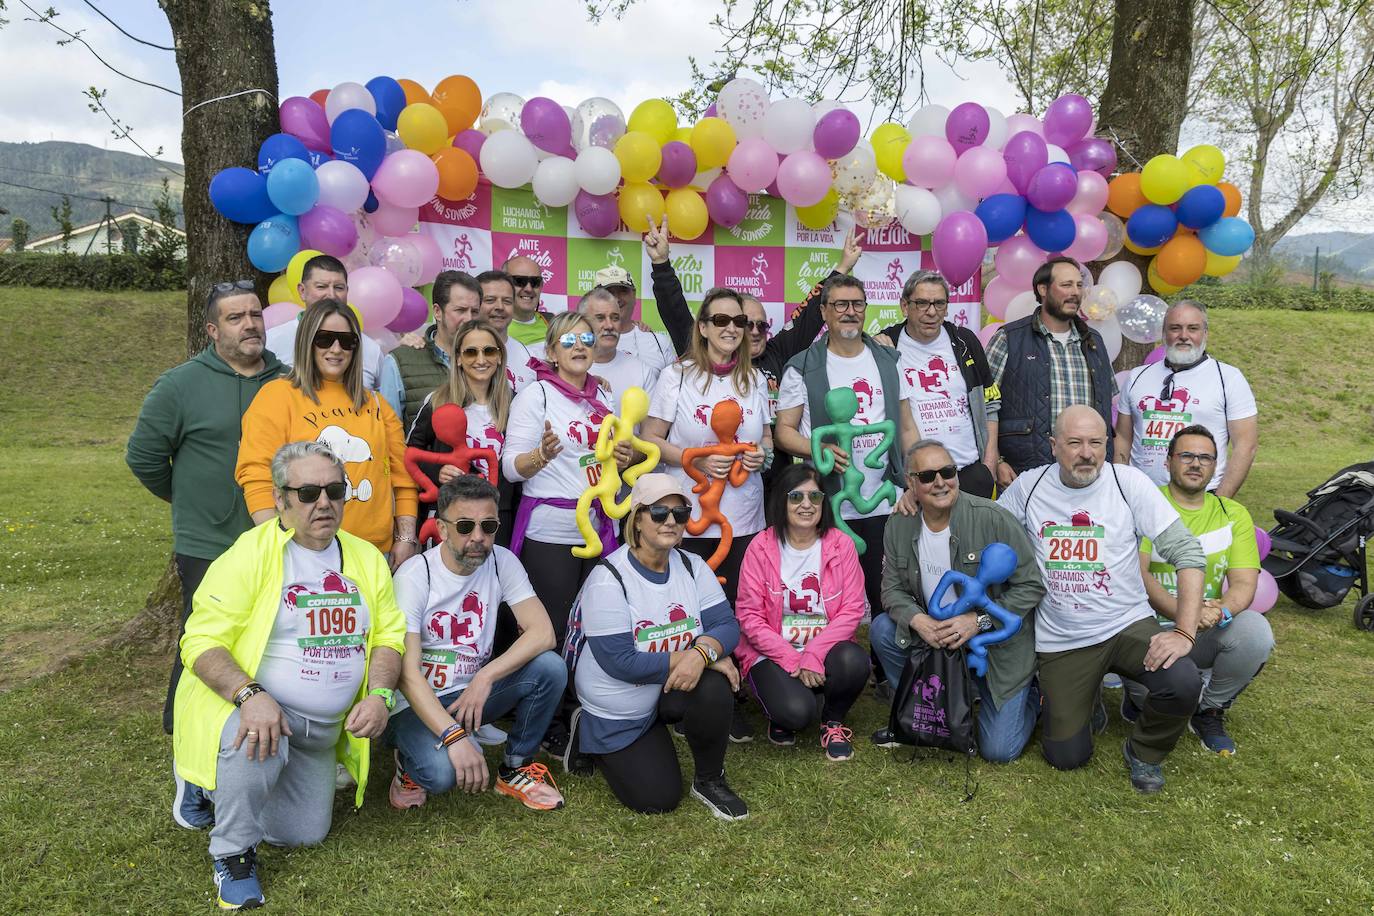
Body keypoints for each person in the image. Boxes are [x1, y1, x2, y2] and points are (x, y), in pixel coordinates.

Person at [172, 441, 405, 909]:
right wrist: (249, 694)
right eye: (307, 492)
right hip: (264, 714)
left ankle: (221, 788)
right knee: (253, 734)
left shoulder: (365, 558)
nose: (323, 502)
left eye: (334, 490)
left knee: (303, 835)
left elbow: (389, 637)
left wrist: (380, 693)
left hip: (319, 733)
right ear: (280, 500)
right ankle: (232, 853)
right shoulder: (248, 555)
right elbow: (199, 641)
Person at [998, 405, 1205, 793]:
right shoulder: (1029, 486)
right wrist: (917, 503)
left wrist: (1184, 632)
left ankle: (1144, 752)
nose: (1087, 453)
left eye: (1096, 442)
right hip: (1063, 640)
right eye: (1074, 443)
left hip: (1126, 625)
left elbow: (1188, 554)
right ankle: (1087, 700)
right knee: (1066, 756)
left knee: (1181, 680)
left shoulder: (1129, 483)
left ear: (1107, 444)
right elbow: (985, 527)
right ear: (1053, 445)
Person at [126, 280, 286, 750]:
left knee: (268, 630)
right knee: (201, 633)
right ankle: (182, 722)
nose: (250, 325)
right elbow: (143, 457)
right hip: (207, 539)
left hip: (273, 535)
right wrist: (189, 500)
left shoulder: (287, 381)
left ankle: (258, 716)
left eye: (255, 314)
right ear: (214, 330)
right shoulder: (180, 385)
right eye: (236, 318)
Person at [569, 473, 748, 819]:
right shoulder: (608, 578)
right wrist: (700, 656)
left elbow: (727, 626)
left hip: (665, 688)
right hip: (619, 702)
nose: (671, 521)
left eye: (680, 514)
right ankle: (587, 729)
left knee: (715, 685)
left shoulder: (693, 567)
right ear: (637, 519)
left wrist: (702, 654)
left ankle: (710, 780)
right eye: (659, 512)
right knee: (658, 799)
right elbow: (620, 662)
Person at [388, 475, 567, 811]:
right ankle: (407, 763)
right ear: (441, 529)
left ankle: (515, 768)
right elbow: (406, 675)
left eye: (489, 525)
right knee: (442, 776)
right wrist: (453, 736)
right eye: (465, 526)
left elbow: (542, 633)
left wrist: (486, 677)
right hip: (415, 701)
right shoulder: (415, 575)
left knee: (550, 668)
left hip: (469, 693)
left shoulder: (502, 561)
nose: (479, 537)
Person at [870, 440, 1045, 762]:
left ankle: (1032, 698)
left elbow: (1031, 585)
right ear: (910, 483)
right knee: (883, 630)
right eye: (927, 476)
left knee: (998, 751)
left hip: (994, 646)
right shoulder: (899, 524)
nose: (940, 482)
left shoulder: (992, 518)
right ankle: (929, 706)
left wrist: (976, 621)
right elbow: (891, 590)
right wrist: (918, 620)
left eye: (948, 472)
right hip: (936, 635)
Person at [775, 274, 918, 626]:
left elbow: (907, 427)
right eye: (840, 304)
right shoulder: (803, 365)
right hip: (827, 503)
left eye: (857, 304)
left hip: (886, 501)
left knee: (888, 596)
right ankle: (831, 671)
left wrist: (914, 482)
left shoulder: (888, 359)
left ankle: (889, 675)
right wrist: (819, 446)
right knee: (829, 600)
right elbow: (783, 433)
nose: (849, 312)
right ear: (824, 311)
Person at [237, 298, 419, 569]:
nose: (337, 349)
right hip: (304, 556)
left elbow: (403, 479)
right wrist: (277, 542)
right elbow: (256, 476)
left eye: (347, 341)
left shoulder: (376, 404)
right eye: (325, 339)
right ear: (307, 342)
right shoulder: (276, 397)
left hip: (372, 556)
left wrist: (405, 537)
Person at [1129, 425, 1274, 756]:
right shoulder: (1146, 504)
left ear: (1215, 465)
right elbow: (1139, 576)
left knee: (1255, 631)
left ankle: (1209, 710)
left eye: (1205, 457)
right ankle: (1143, 699)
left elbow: (1244, 584)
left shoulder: (1232, 513)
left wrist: (1220, 611)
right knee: (1154, 699)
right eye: (1187, 455)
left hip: (1204, 629)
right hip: (1147, 632)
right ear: (1168, 462)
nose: (1196, 463)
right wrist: (1188, 616)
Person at [502, 311, 633, 670]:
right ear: (552, 352)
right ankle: (549, 716)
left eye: (587, 340)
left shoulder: (603, 394)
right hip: (552, 533)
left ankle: (581, 705)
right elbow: (510, 468)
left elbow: (603, 459)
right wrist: (540, 455)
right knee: (553, 630)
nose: (580, 347)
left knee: (593, 624)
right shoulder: (535, 396)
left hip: (600, 526)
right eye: (569, 341)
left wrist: (621, 456)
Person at [643, 215, 857, 422]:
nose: (755, 332)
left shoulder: (776, 353)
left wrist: (842, 268)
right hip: (717, 457)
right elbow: (675, 311)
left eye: (762, 326)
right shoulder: (705, 352)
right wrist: (661, 264)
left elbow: (808, 315)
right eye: (746, 324)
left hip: (772, 456)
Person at [641, 287, 772, 604]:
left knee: (741, 605)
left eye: (738, 321)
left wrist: (761, 455)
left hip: (745, 518)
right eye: (721, 319)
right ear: (703, 328)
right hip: (687, 518)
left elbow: (767, 437)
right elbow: (649, 439)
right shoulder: (677, 376)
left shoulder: (755, 379)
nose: (731, 328)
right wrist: (694, 461)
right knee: (688, 605)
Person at [734, 464, 869, 759]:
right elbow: (749, 616)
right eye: (796, 497)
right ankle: (784, 710)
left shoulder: (840, 545)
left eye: (814, 497)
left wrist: (814, 653)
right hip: (773, 652)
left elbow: (852, 610)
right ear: (782, 500)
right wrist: (791, 657)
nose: (806, 505)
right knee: (795, 714)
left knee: (854, 660)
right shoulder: (760, 546)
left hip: (823, 648)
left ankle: (832, 720)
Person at [985, 256, 1116, 486]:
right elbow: (983, 406)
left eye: (1079, 285)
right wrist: (997, 460)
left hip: (1088, 473)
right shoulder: (1009, 338)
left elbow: (1106, 407)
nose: (1075, 292)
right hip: (1026, 473)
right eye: (1066, 285)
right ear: (1043, 289)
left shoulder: (1094, 342)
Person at [1114, 299, 1258, 498]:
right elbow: (1122, 437)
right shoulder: (1137, 376)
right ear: (1164, 334)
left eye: (1193, 328)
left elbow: (1246, 445)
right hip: (1140, 497)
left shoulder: (1229, 378)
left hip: (1201, 499)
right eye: (1175, 328)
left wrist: (1220, 501)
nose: (1183, 336)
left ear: (1205, 333)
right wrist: (1122, 489)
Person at [875, 269, 998, 498]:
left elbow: (990, 405)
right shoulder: (886, 345)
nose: (931, 312)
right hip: (918, 479)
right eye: (921, 303)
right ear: (904, 306)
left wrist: (989, 465)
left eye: (939, 304)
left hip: (969, 471)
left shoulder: (965, 341)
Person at [405, 319, 513, 541]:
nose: (481, 360)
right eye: (471, 352)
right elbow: (410, 452)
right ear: (459, 359)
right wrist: (437, 471)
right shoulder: (437, 402)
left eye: (489, 351)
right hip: (451, 519)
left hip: (499, 519)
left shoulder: (516, 404)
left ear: (500, 356)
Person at [379, 270, 481, 433]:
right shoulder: (400, 361)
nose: (469, 319)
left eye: (474, 311)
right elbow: (388, 433)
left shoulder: (487, 360)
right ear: (438, 312)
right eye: (460, 310)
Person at [265, 254, 387, 391]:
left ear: (347, 291)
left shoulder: (371, 349)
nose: (331, 295)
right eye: (321, 286)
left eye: (339, 288)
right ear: (302, 291)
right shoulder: (272, 342)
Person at [578, 286, 659, 407]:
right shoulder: (567, 369)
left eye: (615, 318)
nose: (609, 325)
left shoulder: (642, 372)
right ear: (582, 322)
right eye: (600, 318)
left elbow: (650, 426)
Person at [595, 264, 676, 372]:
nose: (617, 299)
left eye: (623, 291)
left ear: (634, 295)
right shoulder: (583, 342)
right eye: (609, 293)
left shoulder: (659, 342)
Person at [476, 269, 539, 393]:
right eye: (490, 300)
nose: (499, 307)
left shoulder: (530, 358)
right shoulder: (458, 351)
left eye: (507, 301)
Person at [503, 255, 552, 346]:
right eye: (519, 281)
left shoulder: (555, 324)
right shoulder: (491, 327)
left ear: (541, 286)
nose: (528, 289)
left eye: (535, 282)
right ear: (503, 285)